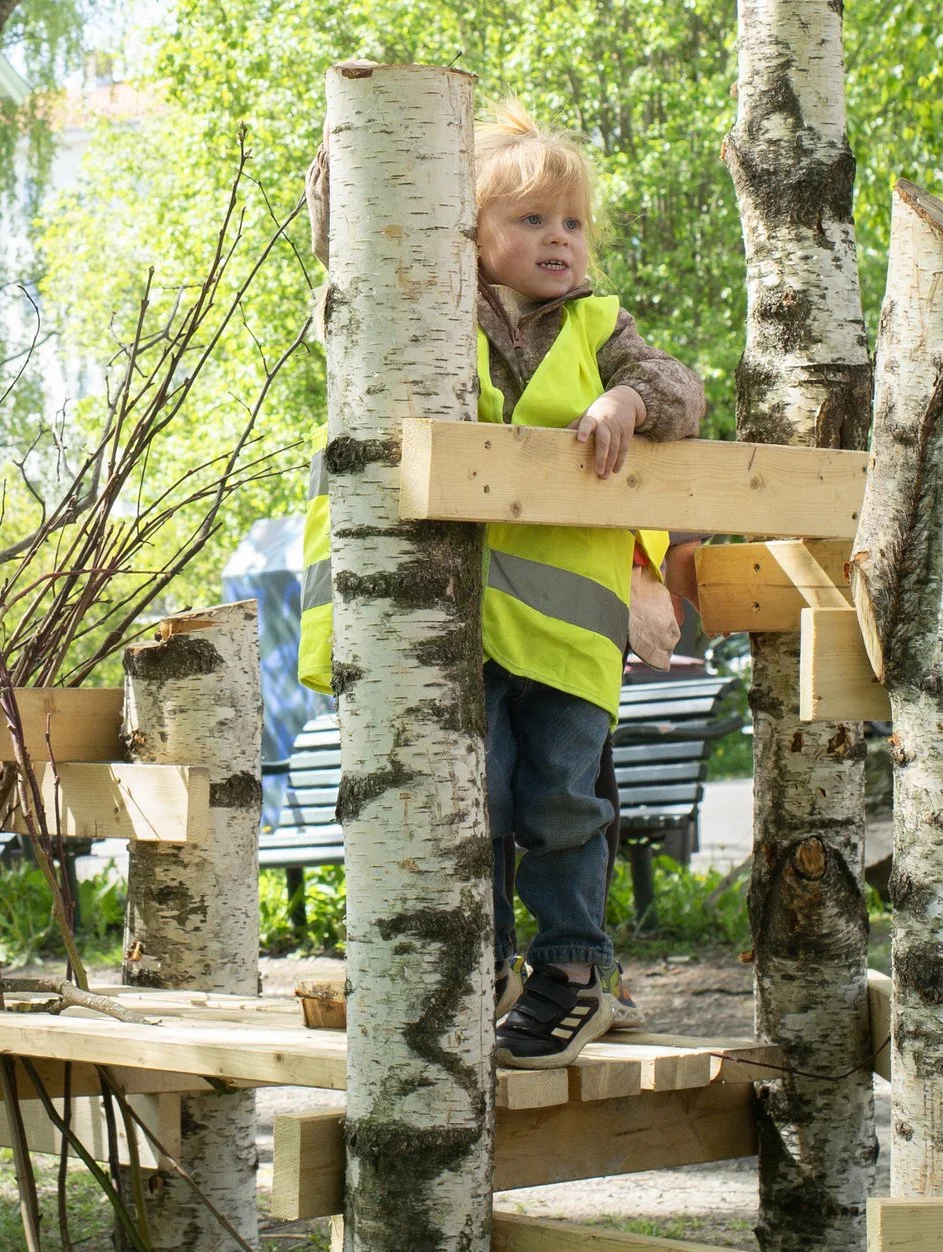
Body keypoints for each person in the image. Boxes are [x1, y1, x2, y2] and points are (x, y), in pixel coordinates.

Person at [298, 108, 704, 1062]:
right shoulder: (436, 317)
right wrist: (336, 221)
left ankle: (574, 969)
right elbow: (350, 304)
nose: (557, 239)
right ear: (471, 240)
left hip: (565, 637)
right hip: (455, 625)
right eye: (529, 221)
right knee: (465, 797)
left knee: (562, 801)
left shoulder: (601, 327)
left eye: (570, 222)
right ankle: (477, 960)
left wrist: (628, 399)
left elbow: (680, 389)